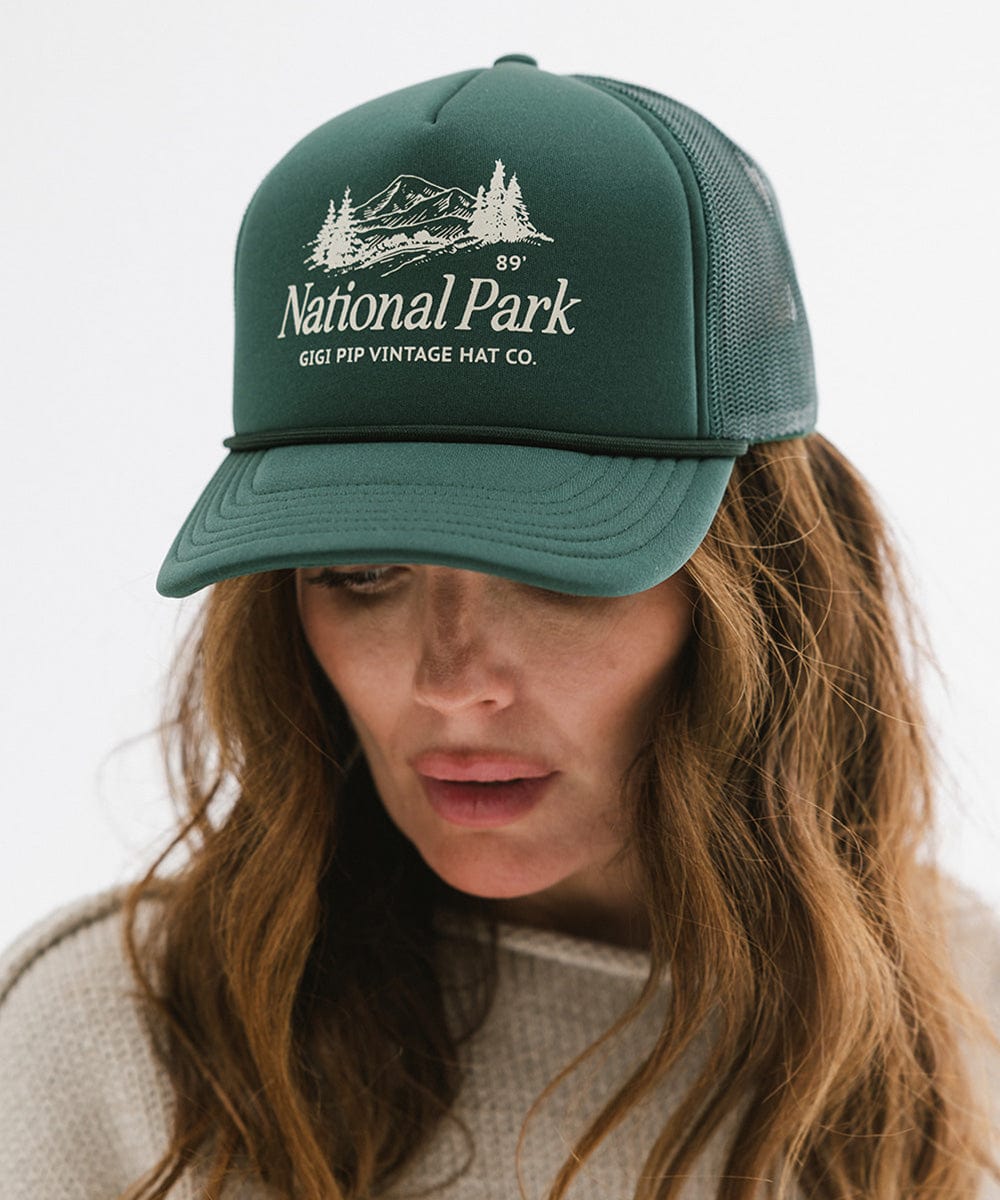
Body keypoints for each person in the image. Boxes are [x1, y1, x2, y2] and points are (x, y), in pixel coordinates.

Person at [1, 53, 998, 1200]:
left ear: (765, 585)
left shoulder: (959, 998)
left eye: (560, 569)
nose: (450, 681)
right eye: (359, 570)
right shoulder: (114, 1054)